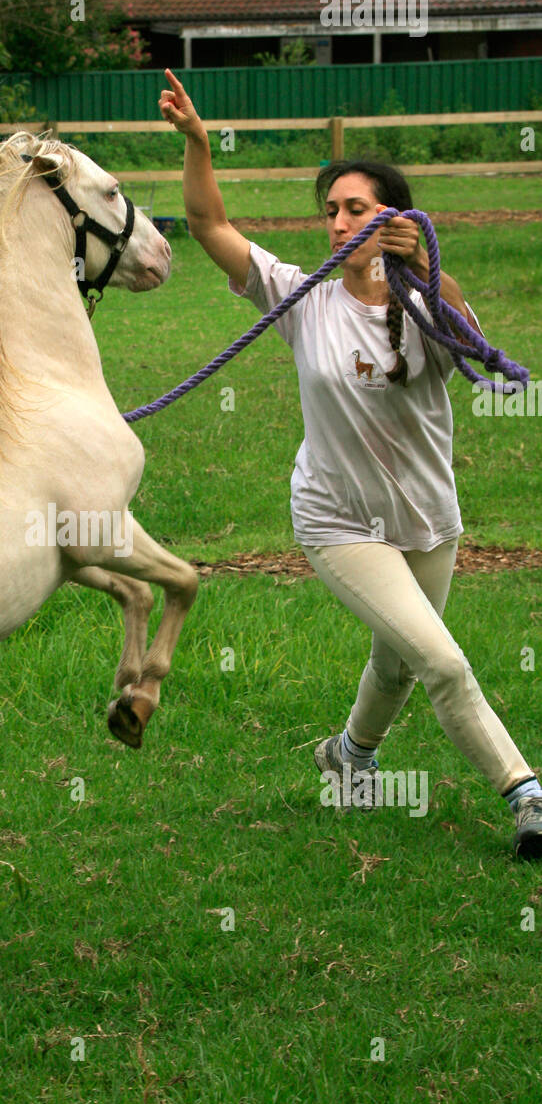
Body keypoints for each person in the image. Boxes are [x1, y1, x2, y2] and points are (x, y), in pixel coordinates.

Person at [158, 67, 542, 857]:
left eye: (354, 209)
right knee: (439, 659)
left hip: (428, 518)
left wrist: (430, 269)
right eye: (330, 211)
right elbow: (207, 224)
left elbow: (472, 340)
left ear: (397, 220)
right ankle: (527, 795)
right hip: (337, 522)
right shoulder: (301, 299)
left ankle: (348, 757)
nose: (336, 223)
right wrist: (199, 143)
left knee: (398, 663)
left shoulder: (428, 305)